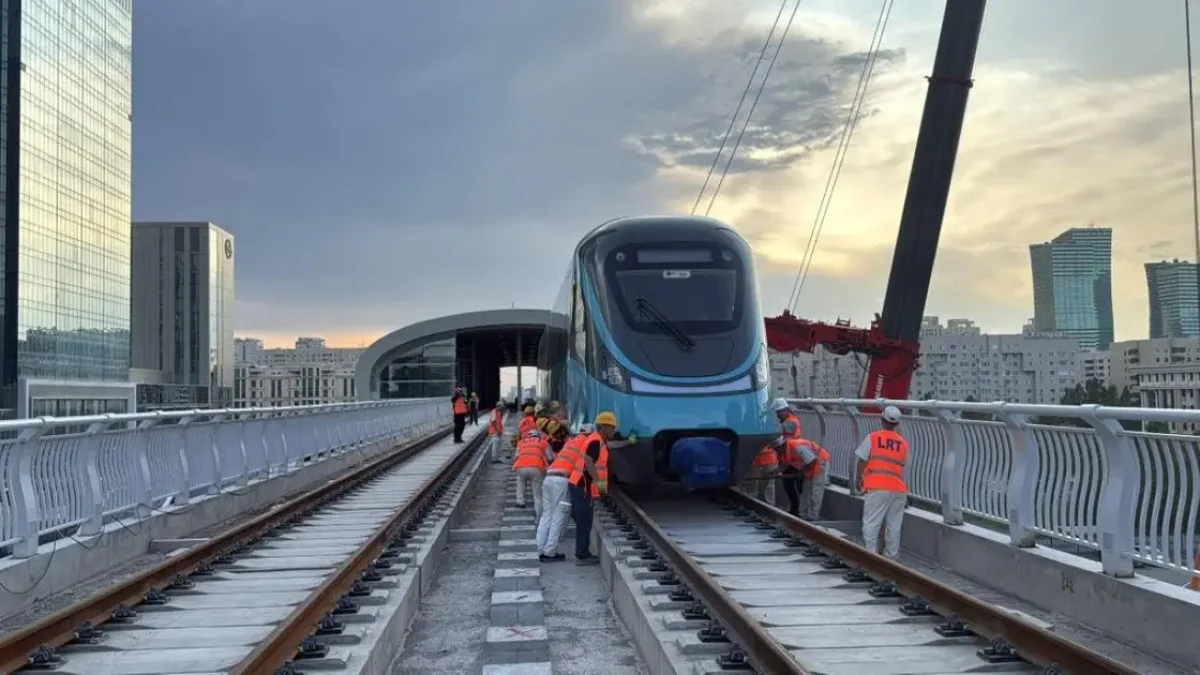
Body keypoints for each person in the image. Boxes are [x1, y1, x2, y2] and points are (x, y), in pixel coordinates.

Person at [536, 412, 616, 564]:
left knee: (547, 515)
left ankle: (540, 549)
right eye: (611, 428)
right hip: (566, 481)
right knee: (561, 516)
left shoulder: (573, 440)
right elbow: (589, 459)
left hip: (550, 477)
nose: (614, 430)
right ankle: (552, 552)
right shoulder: (591, 440)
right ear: (602, 428)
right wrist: (599, 483)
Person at [855, 405, 909, 558]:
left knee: (871, 522)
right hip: (898, 488)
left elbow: (861, 460)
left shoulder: (873, 437)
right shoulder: (902, 443)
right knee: (894, 525)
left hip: (878, 487)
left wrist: (859, 478)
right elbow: (902, 464)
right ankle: (892, 557)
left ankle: (870, 555)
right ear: (896, 424)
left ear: (882, 419)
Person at [782, 437, 830, 519]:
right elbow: (786, 465)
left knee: (816, 492)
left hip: (820, 462)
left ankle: (814, 516)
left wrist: (800, 473)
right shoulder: (787, 449)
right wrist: (772, 472)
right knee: (806, 492)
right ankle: (803, 515)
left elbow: (811, 461)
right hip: (809, 467)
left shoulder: (797, 446)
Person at [512, 429, 554, 518]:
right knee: (537, 492)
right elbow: (550, 458)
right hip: (536, 467)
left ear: (528, 436)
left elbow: (516, 457)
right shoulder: (542, 442)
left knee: (520, 480)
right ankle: (538, 512)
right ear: (538, 435)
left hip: (520, 466)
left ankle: (520, 501)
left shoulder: (521, 442)